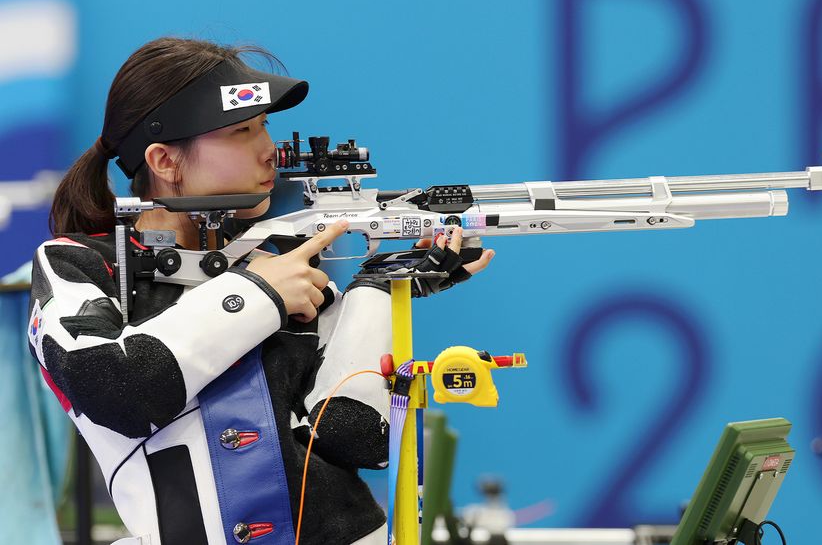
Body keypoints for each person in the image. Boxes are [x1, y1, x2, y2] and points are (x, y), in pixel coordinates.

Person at [27, 37, 494, 545]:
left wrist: (377, 288)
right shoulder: (80, 264)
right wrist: (256, 296)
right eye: (243, 130)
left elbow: (357, 436)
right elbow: (114, 389)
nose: (269, 148)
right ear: (164, 160)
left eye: (264, 124)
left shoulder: (275, 262)